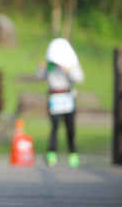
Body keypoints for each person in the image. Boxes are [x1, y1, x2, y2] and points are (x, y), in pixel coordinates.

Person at [36, 38, 84, 168]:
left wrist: (68, 70)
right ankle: (52, 154)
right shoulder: (50, 64)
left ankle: (73, 154)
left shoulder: (71, 63)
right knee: (54, 126)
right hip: (54, 97)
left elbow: (80, 78)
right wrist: (41, 69)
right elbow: (40, 77)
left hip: (67, 97)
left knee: (70, 127)